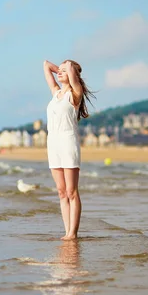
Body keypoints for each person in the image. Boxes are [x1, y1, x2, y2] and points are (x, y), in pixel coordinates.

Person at [43, 59, 95, 240]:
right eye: (60, 70)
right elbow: (45, 65)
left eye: (65, 70)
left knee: (72, 191)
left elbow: (72, 75)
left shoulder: (75, 94)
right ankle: (66, 231)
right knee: (61, 191)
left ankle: (73, 233)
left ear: (73, 74)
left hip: (68, 141)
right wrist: (61, 70)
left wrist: (68, 69)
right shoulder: (55, 92)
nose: (60, 72)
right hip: (53, 143)